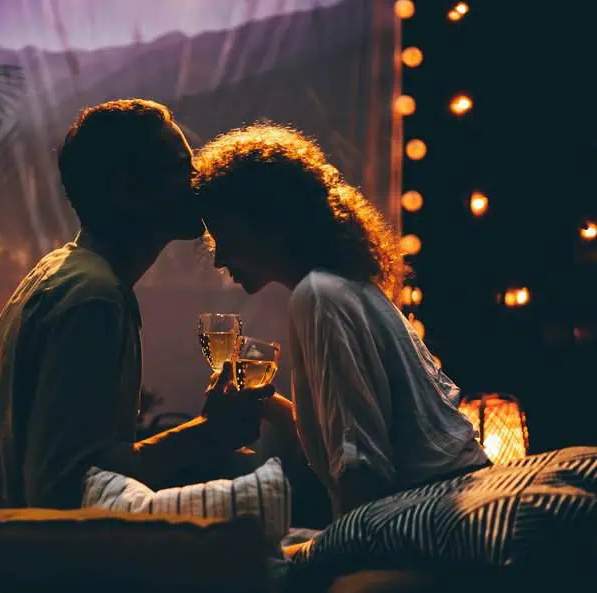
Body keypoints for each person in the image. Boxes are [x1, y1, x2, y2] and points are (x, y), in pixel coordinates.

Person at [0, 99, 271, 513]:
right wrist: (207, 434)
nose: (198, 183)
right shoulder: (93, 300)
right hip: (12, 555)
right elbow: (63, 489)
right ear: (127, 187)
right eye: (181, 169)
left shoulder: (64, 270)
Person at [193, 123, 490, 519]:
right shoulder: (340, 285)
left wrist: (338, 561)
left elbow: (362, 471)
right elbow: (359, 428)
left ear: (271, 223)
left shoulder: (318, 295)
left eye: (226, 237)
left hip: (430, 518)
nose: (219, 259)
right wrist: (270, 405)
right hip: (446, 501)